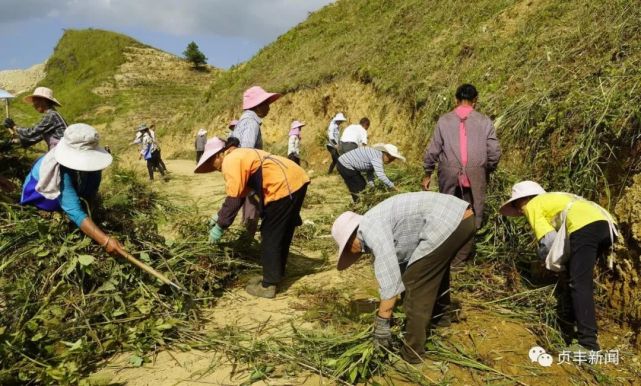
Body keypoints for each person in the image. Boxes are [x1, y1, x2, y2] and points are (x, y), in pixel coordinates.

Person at [331, 192, 476, 363]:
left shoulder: (370, 230)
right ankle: (441, 319)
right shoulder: (374, 220)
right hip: (461, 218)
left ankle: (412, 353)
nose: (353, 253)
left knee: (415, 283)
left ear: (351, 241)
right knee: (430, 270)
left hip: (449, 221)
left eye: (348, 249)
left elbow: (391, 280)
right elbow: (402, 261)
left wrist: (382, 322)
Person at [499, 181, 618, 351]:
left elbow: (548, 243)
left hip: (585, 228)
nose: (519, 211)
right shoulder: (555, 198)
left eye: (516, 205)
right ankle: (576, 322)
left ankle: (588, 344)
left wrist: (545, 263)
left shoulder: (532, 205)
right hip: (606, 225)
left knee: (579, 283)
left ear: (523, 200)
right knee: (576, 278)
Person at [195, 136, 309, 298]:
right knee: (282, 231)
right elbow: (240, 195)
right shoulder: (240, 154)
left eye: (211, 163)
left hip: (282, 186)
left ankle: (268, 285)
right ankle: (276, 274)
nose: (214, 168)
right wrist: (219, 216)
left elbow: (233, 199)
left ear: (219, 155)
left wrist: (220, 226)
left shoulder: (230, 160)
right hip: (296, 179)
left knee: (270, 234)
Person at [422, 84, 501, 264]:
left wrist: (427, 173)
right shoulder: (484, 121)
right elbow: (494, 151)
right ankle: (461, 258)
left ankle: (445, 253)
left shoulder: (444, 120)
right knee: (471, 212)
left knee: (448, 211)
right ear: (475, 100)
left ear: (456, 100)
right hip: (475, 172)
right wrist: (486, 168)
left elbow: (433, 150)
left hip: (448, 172)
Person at [20, 123, 125, 255]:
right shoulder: (60, 171)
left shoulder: (93, 167)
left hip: (72, 192)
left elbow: (92, 191)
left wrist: (91, 215)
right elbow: (74, 210)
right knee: (68, 208)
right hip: (41, 197)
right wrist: (105, 240)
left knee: (83, 201)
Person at [230, 86, 282, 240]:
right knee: (251, 214)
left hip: (242, 175)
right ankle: (245, 245)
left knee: (247, 212)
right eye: (266, 103)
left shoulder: (244, 121)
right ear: (257, 105)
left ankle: (244, 241)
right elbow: (247, 153)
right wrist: (252, 186)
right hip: (249, 176)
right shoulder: (251, 123)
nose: (268, 107)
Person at [336, 144, 404, 202]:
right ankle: (358, 205)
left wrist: (372, 186)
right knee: (359, 186)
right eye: (390, 158)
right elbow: (381, 175)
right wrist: (393, 187)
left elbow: (370, 172)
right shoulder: (377, 158)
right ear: (386, 153)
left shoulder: (376, 154)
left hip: (344, 163)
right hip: (345, 164)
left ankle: (358, 204)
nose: (390, 161)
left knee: (361, 185)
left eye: (392, 160)